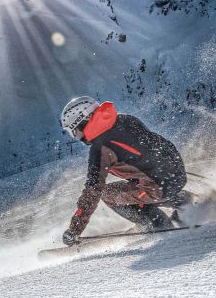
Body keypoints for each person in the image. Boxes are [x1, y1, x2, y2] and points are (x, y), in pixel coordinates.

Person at [59, 97, 187, 246]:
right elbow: (150, 149)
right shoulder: (125, 119)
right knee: (140, 184)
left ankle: (155, 222)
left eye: (75, 132)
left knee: (108, 194)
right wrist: (170, 169)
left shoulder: (100, 149)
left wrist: (75, 229)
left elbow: (92, 192)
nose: (77, 137)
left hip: (160, 186)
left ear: (83, 121)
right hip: (175, 173)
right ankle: (182, 200)